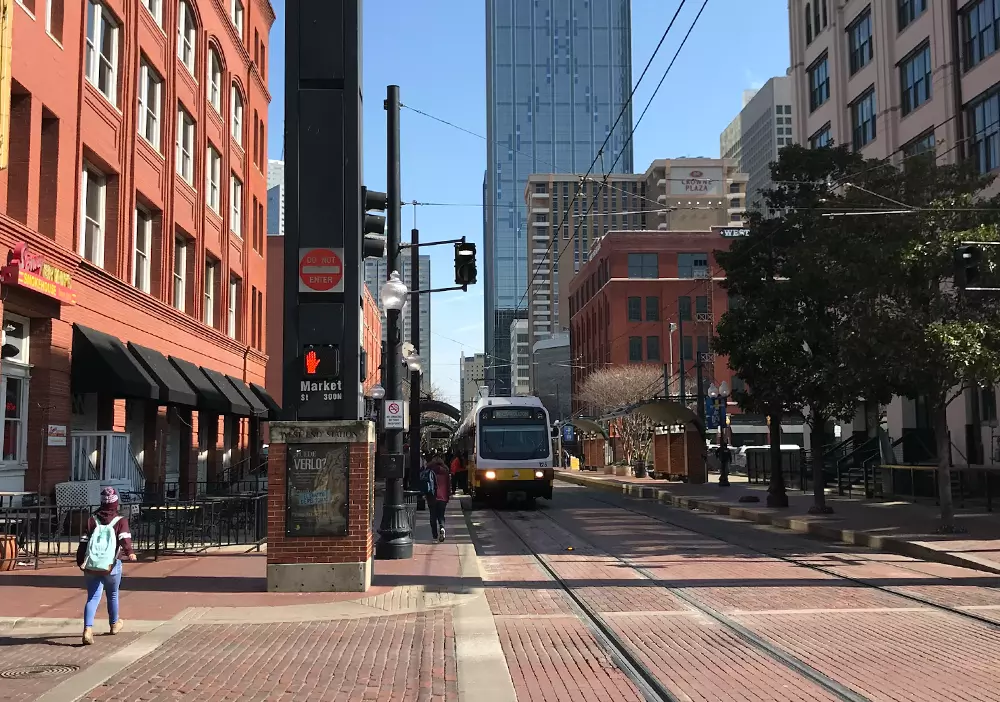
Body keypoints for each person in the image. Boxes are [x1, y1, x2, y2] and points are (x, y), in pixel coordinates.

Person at [76, 486, 136, 645]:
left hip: (91, 565)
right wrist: (130, 552)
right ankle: (114, 624)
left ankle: (88, 629)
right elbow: (125, 539)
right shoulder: (120, 521)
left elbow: (83, 543)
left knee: (93, 597)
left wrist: (80, 560)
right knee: (113, 594)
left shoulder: (91, 520)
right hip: (111, 565)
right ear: (116, 503)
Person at [427, 456, 451, 542]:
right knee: (441, 515)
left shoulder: (429, 470)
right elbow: (448, 485)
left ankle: (434, 536)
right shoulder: (446, 471)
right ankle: (442, 528)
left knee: (432, 516)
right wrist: (448, 495)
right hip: (443, 497)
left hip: (432, 496)